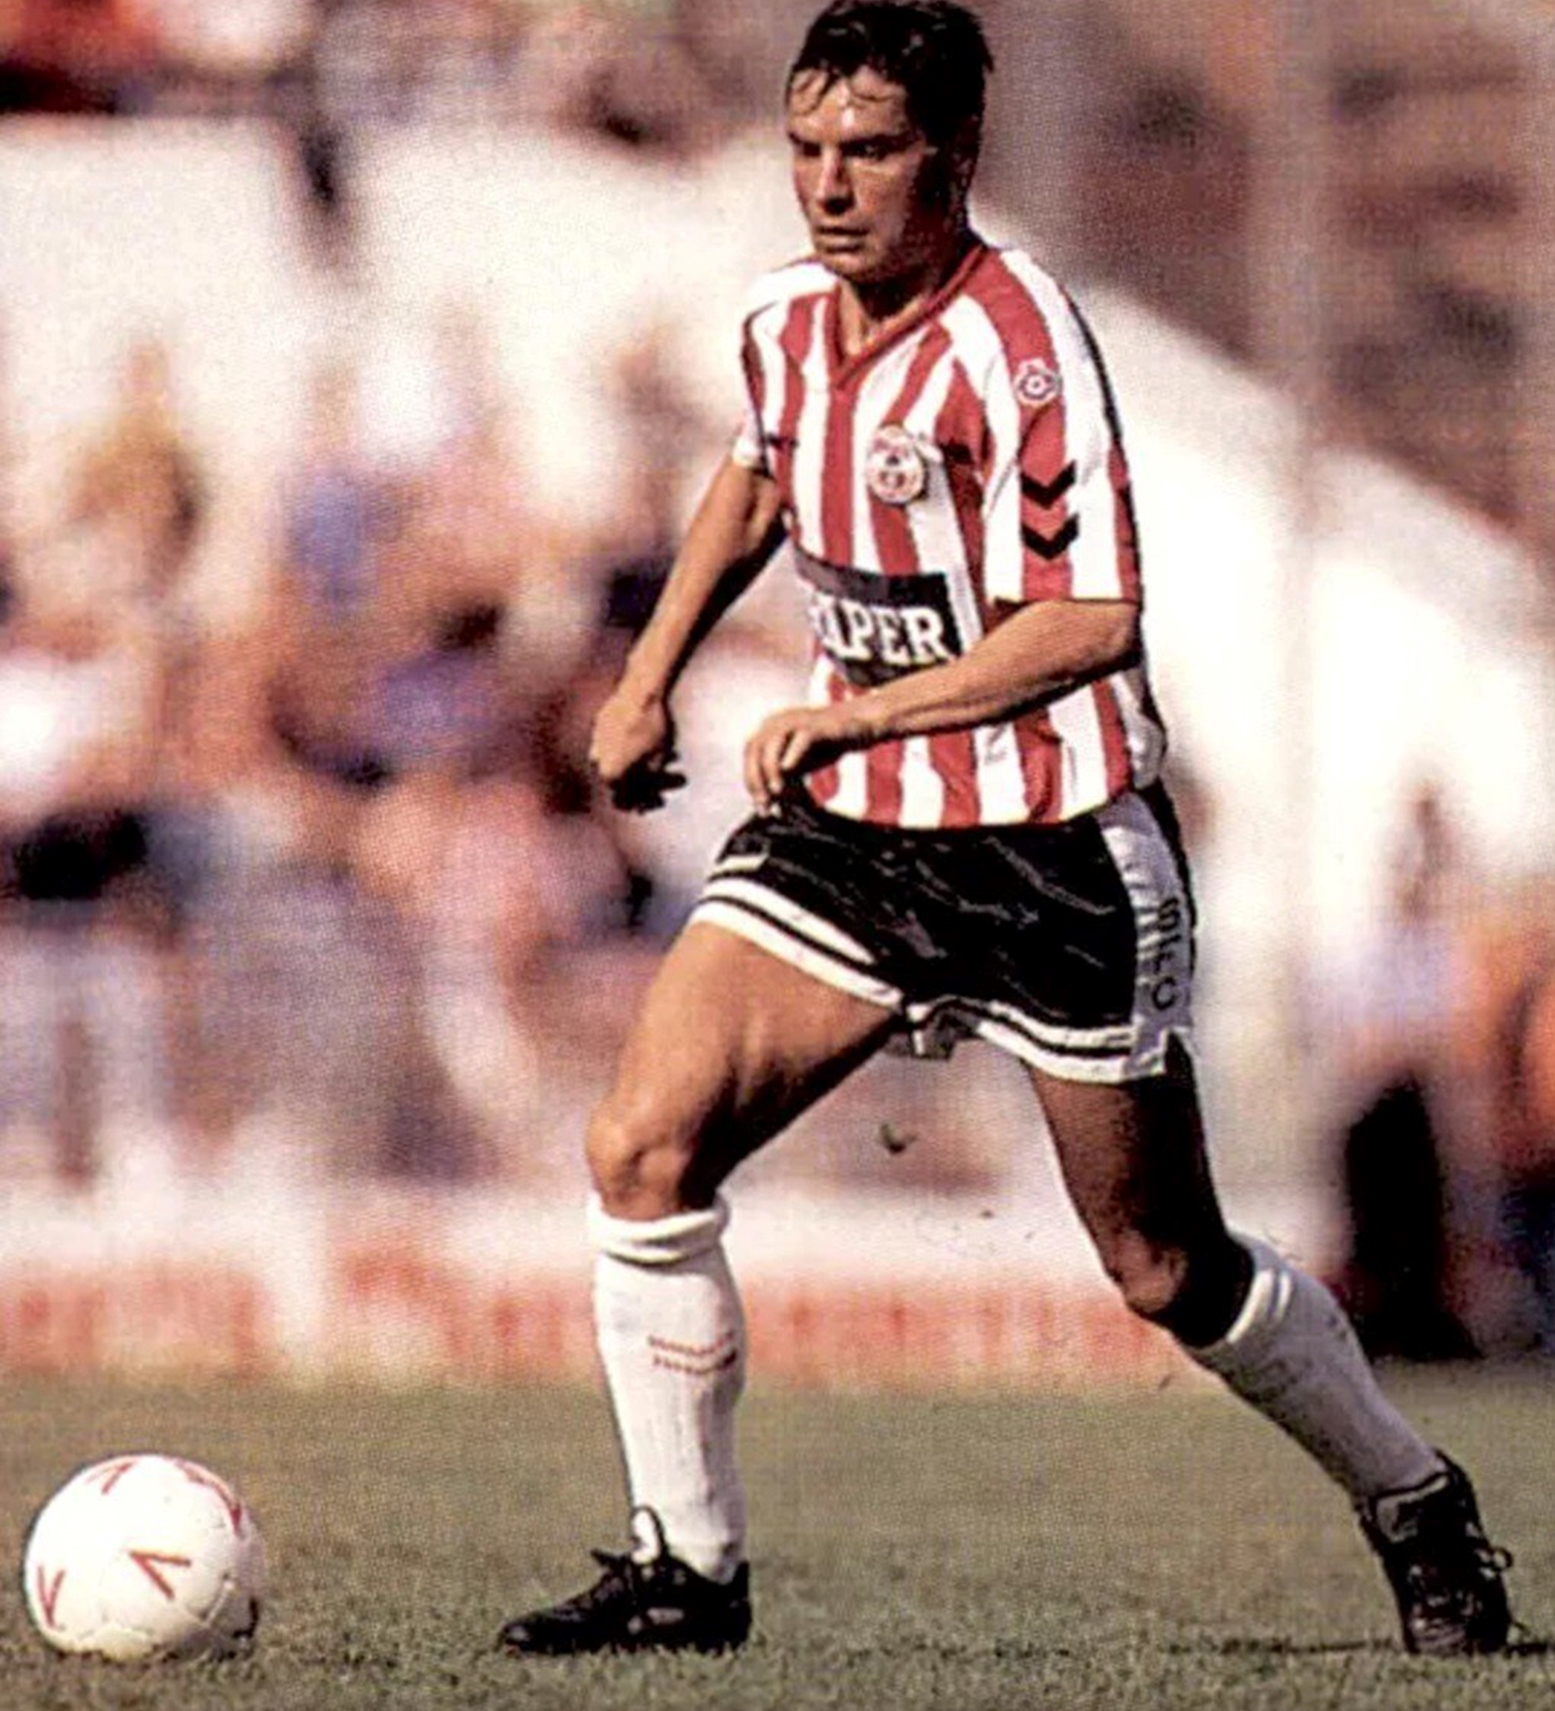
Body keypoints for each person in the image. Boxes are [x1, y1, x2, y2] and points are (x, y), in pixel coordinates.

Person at [498, 0, 1512, 1660]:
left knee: (1164, 1268)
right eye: (807, 149)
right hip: (856, 839)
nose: (830, 186)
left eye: (870, 151)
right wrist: (649, 674)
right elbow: (759, 475)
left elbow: (1093, 616)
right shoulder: (779, 319)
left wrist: (864, 709)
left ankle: (1413, 1497)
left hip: (1057, 854)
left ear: (956, 155)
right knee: (642, 1146)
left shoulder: (1021, 343)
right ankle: (689, 1567)